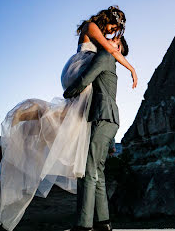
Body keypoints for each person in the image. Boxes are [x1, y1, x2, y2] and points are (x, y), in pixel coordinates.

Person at [0, 6, 133, 231]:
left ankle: (88, 225)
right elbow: (106, 58)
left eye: (116, 33)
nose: (111, 34)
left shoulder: (105, 56)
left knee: (86, 160)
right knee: (90, 165)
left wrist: (127, 66)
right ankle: (101, 222)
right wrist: (131, 68)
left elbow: (106, 89)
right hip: (84, 79)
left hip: (100, 111)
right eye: (113, 29)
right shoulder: (98, 41)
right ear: (108, 20)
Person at [63, 35, 126, 231]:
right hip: (108, 120)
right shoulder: (111, 61)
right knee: (97, 172)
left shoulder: (106, 56)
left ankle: (83, 226)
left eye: (117, 41)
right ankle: (103, 222)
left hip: (102, 117)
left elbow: (86, 78)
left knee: (87, 170)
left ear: (119, 50)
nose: (111, 40)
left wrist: (69, 92)